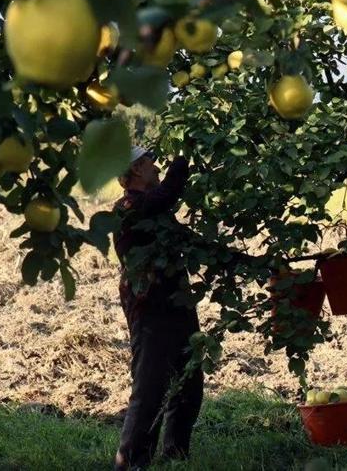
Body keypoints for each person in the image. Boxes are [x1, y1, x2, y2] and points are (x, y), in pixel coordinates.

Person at [113, 146, 203, 470]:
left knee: (189, 384)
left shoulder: (158, 211)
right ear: (137, 167)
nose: (157, 166)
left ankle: (175, 456)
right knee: (149, 388)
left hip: (177, 303)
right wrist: (183, 159)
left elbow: (190, 242)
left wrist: (252, 264)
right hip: (150, 309)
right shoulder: (129, 207)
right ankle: (132, 462)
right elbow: (165, 194)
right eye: (151, 162)